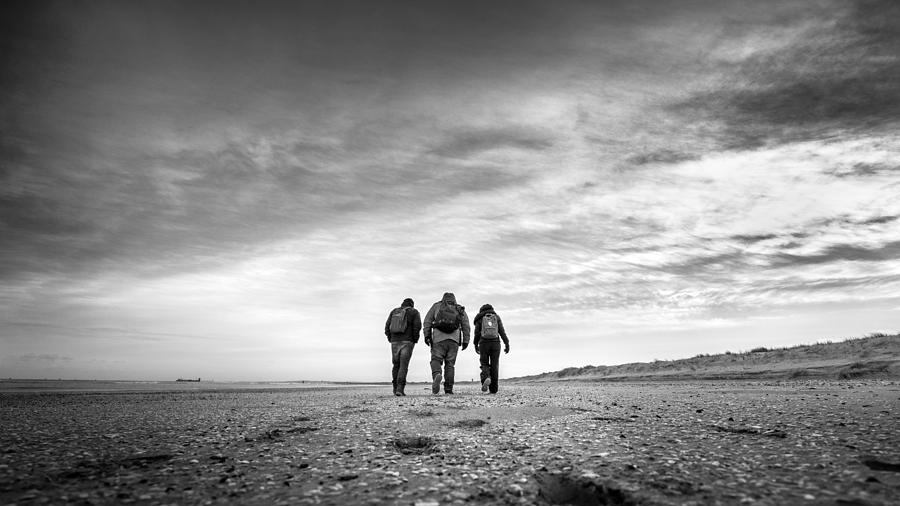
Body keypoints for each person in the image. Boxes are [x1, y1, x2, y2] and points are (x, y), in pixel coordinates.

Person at [423, 292, 470, 395]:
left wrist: (427, 336)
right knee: (450, 365)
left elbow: (427, 321)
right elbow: (466, 325)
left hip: (438, 339)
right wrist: (466, 340)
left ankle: (437, 375)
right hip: (454, 340)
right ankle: (448, 389)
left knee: (435, 360)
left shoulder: (437, 306)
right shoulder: (459, 308)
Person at [384, 298, 421, 396]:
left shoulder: (394, 311)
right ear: (412, 305)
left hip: (395, 342)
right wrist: (414, 340)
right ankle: (400, 389)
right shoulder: (414, 312)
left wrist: (390, 338)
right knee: (403, 365)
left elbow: (387, 327)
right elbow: (417, 327)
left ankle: (395, 388)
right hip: (407, 341)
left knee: (396, 365)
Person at [473, 303, 509, 394]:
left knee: (484, 363)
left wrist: (475, 344)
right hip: (496, 343)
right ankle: (493, 389)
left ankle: (487, 377)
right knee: (495, 366)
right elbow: (502, 331)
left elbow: (477, 333)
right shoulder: (496, 317)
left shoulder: (480, 318)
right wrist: (506, 343)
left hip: (483, 343)